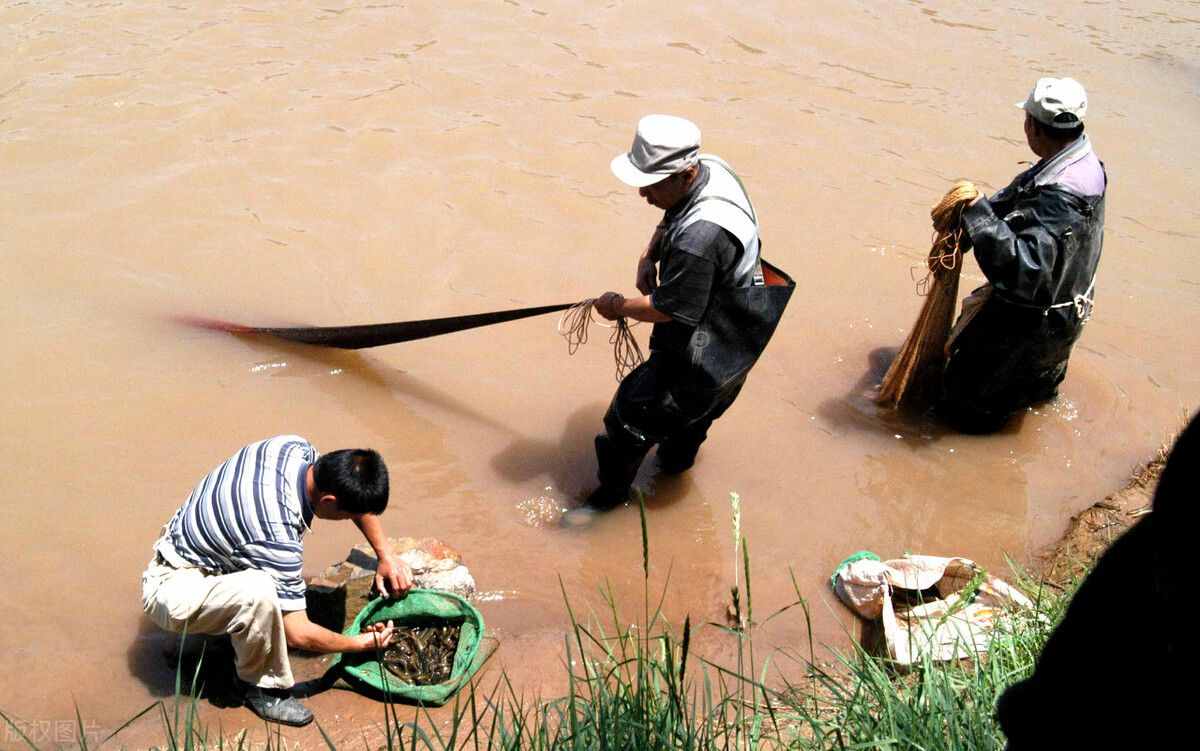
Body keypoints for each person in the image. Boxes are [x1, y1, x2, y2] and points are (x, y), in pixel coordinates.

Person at [588, 114, 793, 507]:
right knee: (695, 416)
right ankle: (673, 473)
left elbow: (668, 308)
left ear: (685, 174)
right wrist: (650, 253)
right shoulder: (711, 168)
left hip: (709, 337)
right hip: (742, 325)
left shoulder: (699, 239)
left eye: (650, 185)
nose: (643, 195)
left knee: (628, 419)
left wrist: (617, 307)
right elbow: (674, 213)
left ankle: (605, 502)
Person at [141, 435, 414, 726]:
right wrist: (359, 644)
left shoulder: (294, 448)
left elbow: (350, 493)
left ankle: (227, 637)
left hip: (192, 544)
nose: (349, 520)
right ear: (329, 502)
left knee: (266, 584)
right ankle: (260, 689)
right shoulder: (275, 534)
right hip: (171, 587)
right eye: (348, 516)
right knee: (261, 592)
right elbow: (298, 633)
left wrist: (385, 555)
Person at [940, 77, 1106, 433]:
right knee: (1026, 413)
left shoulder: (1061, 196)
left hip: (1022, 338)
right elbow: (1020, 197)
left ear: (1032, 126)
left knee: (961, 420)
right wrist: (978, 216)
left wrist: (978, 214)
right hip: (1061, 326)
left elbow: (1024, 272)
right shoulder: (1083, 166)